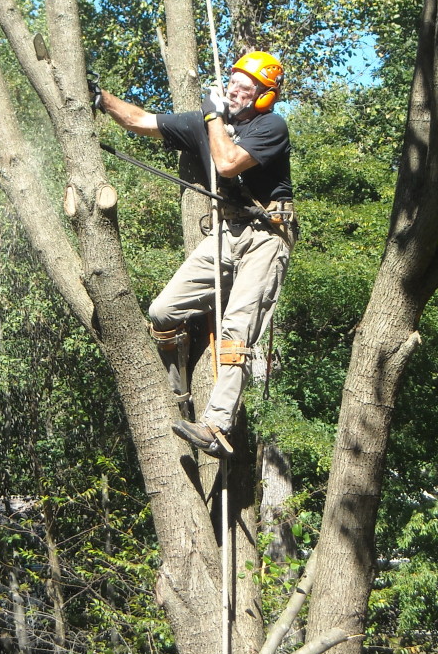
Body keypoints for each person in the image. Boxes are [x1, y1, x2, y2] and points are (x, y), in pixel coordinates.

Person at [98, 51, 296, 458]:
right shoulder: (204, 122)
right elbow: (139, 121)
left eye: (248, 86)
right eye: (234, 81)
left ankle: (216, 426)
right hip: (226, 232)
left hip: (265, 237)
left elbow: (227, 164)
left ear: (264, 96)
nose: (237, 89)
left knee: (235, 334)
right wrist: (100, 98)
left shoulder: (270, 126)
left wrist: (212, 119)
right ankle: (176, 390)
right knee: (162, 312)